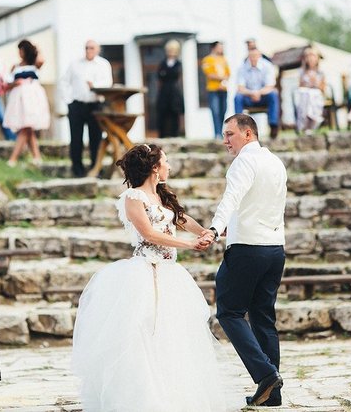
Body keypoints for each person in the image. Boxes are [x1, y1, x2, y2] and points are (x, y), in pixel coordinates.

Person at [72, 144, 226, 412]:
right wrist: (190, 245)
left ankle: (174, 391)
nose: (169, 166)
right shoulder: (133, 197)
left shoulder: (161, 195)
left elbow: (180, 219)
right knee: (143, 331)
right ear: (155, 167)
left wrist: (206, 232)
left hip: (170, 272)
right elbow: (149, 235)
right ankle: (143, 396)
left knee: (174, 332)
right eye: (166, 161)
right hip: (145, 271)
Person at [202, 113, 287, 407]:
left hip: (248, 250)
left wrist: (214, 228)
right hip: (275, 249)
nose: (225, 140)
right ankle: (271, 395)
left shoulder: (244, 161)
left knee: (229, 312)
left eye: (230, 134)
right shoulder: (275, 161)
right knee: (263, 318)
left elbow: (232, 197)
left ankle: (265, 374)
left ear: (248, 134)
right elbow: (266, 203)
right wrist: (232, 224)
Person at [61, 40, 113, 177]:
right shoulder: (75, 64)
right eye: (86, 48)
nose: (88, 50)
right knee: (76, 138)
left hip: (95, 105)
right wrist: (68, 101)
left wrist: (94, 85)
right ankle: (77, 169)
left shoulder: (103, 64)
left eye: (91, 48)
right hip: (77, 105)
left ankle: (95, 168)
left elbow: (108, 83)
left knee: (95, 138)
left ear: (97, 50)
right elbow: (64, 82)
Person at [4, 40, 51, 167]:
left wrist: (35, 48)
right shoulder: (15, 67)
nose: (20, 52)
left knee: (27, 127)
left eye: (22, 49)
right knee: (27, 128)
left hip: (32, 98)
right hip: (19, 99)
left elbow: (42, 59)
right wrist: (16, 83)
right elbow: (7, 85)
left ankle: (13, 159)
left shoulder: (35, 65)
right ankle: (37, 157)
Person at [234, 49, 280, 139]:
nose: (253, 58)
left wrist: (258, 93)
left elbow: (270, 85)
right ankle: (239, 126)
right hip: (248, 97)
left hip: (263, 96)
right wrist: (252, 93)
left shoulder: (267, 66)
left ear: (259, 56)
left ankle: (273, 124)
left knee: (273, 94)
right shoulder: (242, 68)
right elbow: (240, 87)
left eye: (255, 56)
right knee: (237, 97)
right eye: (251, 56)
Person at [201, 41, 230, 139]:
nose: (221, 49)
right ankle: (217, 134)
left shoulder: (223, 59)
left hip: (223, 89)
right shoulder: (207, 60)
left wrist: (223, 78)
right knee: (215, 111)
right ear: (213, 48)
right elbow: (209, 74)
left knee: (223, 111)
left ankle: (222, 132)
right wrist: (221, 78)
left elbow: (228, 73)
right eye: (220, 47)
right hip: (213, 90)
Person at [293, 47, 326, 134]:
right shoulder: (302, 71)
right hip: (304, 95)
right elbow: (299, 86)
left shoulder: (321, 72)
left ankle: (311, 123)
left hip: (317, 95)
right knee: (305, 95)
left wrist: (315, 83)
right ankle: (306, 124)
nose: (311, 58)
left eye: (313, 56)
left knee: (310, 95)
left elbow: (323, 89)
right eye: (308, 56)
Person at [156, 39, 185, 138]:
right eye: (169, 50)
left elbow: (175, 75)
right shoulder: (163, 63)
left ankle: (175, 135)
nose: (171, 52)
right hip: (164, 92)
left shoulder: (178, 64)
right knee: (163, 114)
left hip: (174, 92)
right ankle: (162, 135)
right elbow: (160, 76)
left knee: (174, 114)